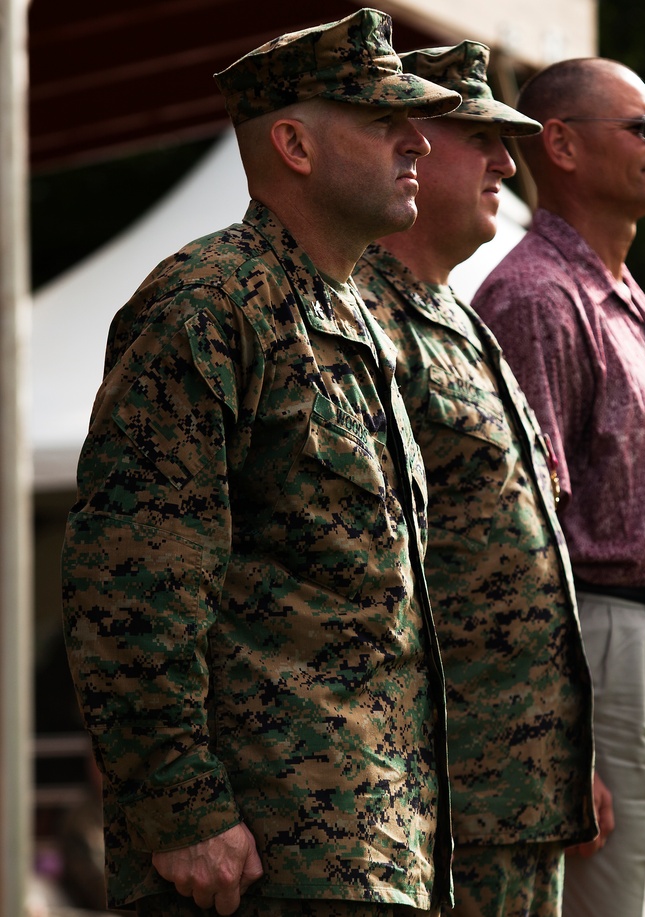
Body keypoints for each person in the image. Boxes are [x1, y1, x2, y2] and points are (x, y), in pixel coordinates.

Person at [60, 10, 463, 917]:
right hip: (257, 860)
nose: (416, 140)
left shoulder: (359, 320)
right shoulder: (208, 305)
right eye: (382, 118)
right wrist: (182, 809)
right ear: (294, 144)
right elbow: (131, 579)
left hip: (372, 847)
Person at [351, 42, 602, 917]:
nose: (507, 161)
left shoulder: (460, 318)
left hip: (521, 790)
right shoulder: (360, 321)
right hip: (443, 797)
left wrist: (572, 755)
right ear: (409, 143)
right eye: (479, 136)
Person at [472, 57, 645, 917]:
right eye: (643, 127)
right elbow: (521, 532)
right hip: (614, 643)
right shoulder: (536, 296)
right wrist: (558, 735)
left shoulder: (617, 291)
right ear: (563, 146)